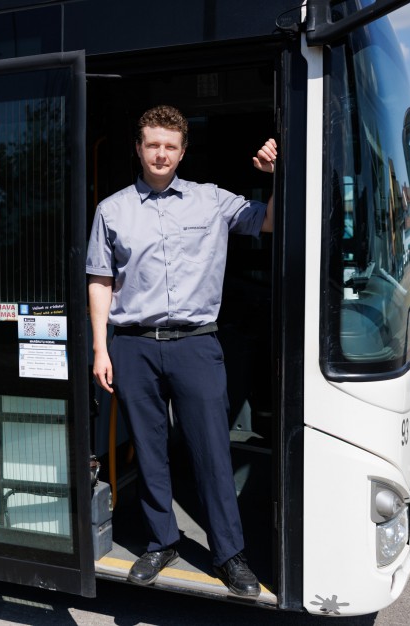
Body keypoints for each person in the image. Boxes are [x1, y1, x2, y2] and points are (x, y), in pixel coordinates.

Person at [86, 104, 276, 596]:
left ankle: (230, 555)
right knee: (149, 452)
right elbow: (101, 280)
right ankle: (161, 540)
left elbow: (270, 222)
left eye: (170, 146)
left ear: (183, 151)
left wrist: (281, 176)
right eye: (153, 144)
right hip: (133, 347)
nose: (161, 154)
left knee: (211, 452)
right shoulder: (112, 209)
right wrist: (101, 349)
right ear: (139, 147)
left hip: (196, 346)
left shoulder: (212, 201)